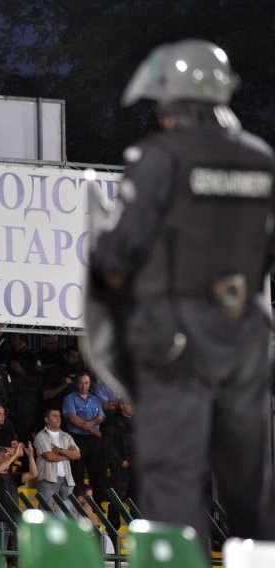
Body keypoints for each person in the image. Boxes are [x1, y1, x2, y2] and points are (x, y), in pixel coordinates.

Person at [90, 39, 275, 545]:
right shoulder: (262, 159)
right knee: (251, 484)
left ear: (173, 100)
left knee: (172, 479)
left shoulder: (161, 156)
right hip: (247, 339)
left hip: (176, 340)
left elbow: (113, 254)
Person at [61, 373, 106, 501]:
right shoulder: (70, 398)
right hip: (77, 438)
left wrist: (89, 425)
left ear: (90, 384)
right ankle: (77, 501)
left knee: (96, 471)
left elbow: (100, 417)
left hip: (93, 440)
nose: (83, 386)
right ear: (76, 383)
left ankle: (96, 504)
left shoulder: (95, 399)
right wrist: (92, 429)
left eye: (86, 383)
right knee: (77, 471)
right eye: (81, 383)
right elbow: (73, 418)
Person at [0, 442, 38, 551]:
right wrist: (14, 455)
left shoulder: (13, 477)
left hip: (15, 520)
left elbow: (33, 474)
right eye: (2, 455)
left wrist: (30, 456)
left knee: (16, 559)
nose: (6, 456)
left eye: (7, 454)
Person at [33, 408, 80, 508]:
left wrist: (60, 451)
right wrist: (68, 455)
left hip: (67, 479)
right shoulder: (41, 436)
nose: (58, 418)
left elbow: (77, 455)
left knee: (67, 514)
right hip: (48, 479)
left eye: (59, 416)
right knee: (46, 512)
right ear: (46, 419)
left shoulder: (66, 436)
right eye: (54, 416)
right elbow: (49, 456)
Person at [102, 399, 135, 529]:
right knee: (116, 501)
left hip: (135, 469)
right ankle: (113, 532)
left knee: (136, 501)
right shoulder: (112, 422)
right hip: (119, 468)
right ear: (121, 406)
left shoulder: (138, 422)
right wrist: (121, 461)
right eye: (129, 403)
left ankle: (137, 531)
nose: (132, 406)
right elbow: (108, 446)